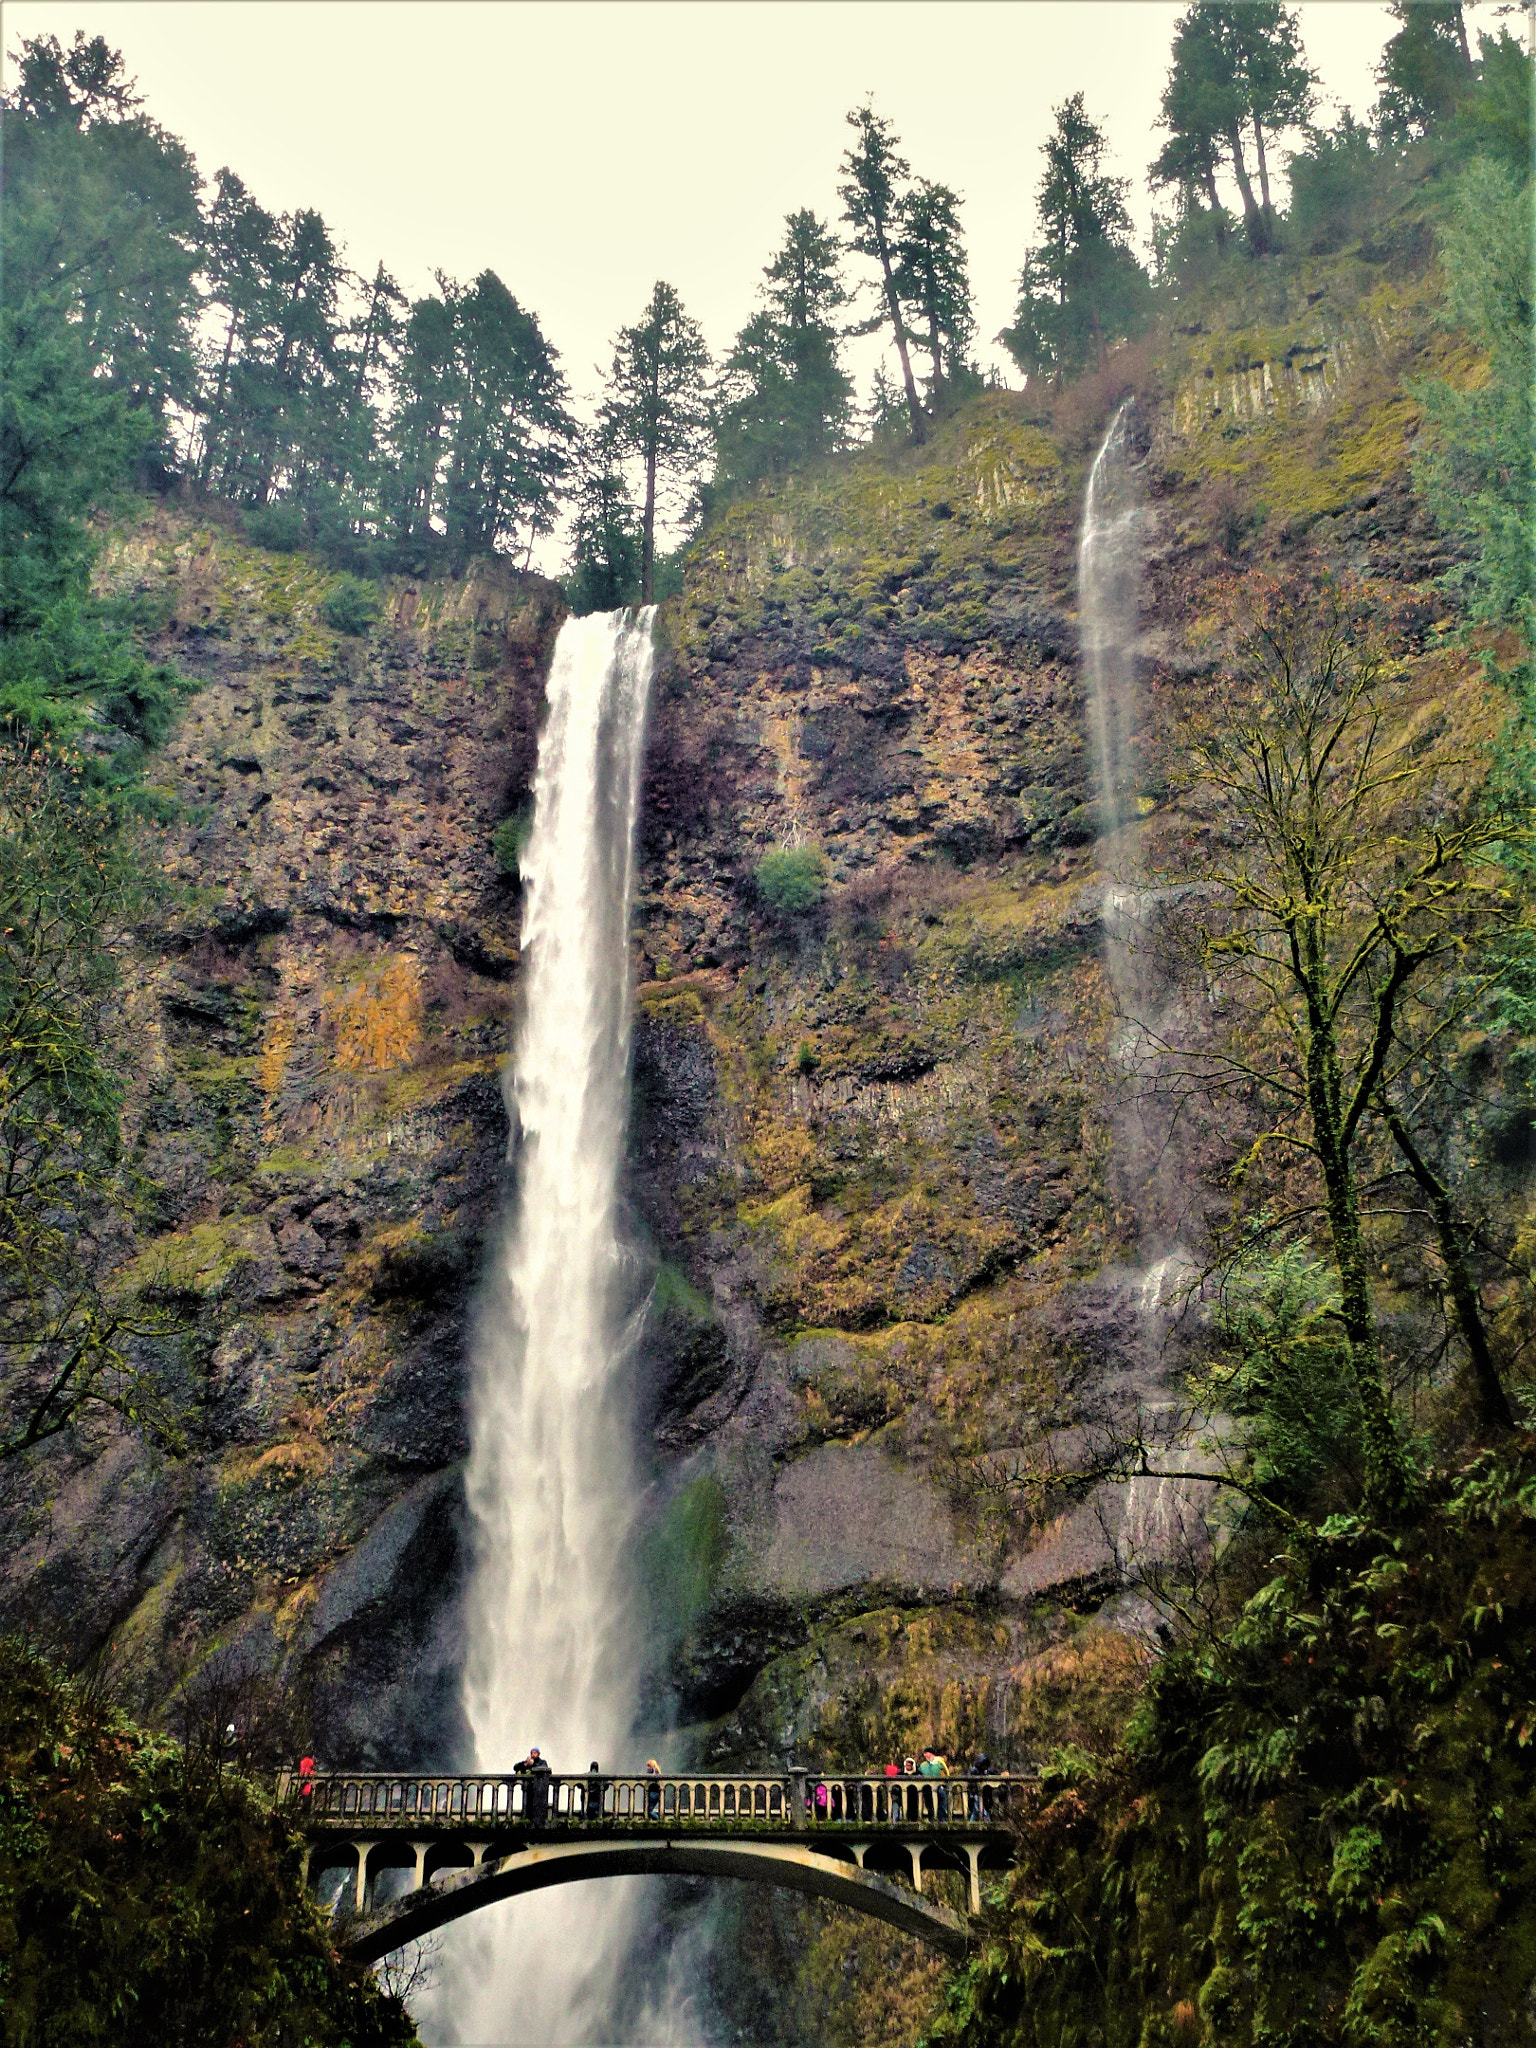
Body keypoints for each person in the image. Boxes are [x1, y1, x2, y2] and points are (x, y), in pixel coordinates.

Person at [516, 1745, 552, 1826]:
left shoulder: (542, 1762)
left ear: (538, 1754)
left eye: (535, 1753)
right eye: (532, 1753)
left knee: (539, 1807)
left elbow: (544, 1769)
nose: (533, 1755)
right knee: (528, 1806)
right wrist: (524, 1764)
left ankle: (539, 1823)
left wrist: (534, 1765)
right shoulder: (528, 1763)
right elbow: (515, 1768)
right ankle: (527, 1821)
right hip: (528, 1788)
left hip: (540, 1789)